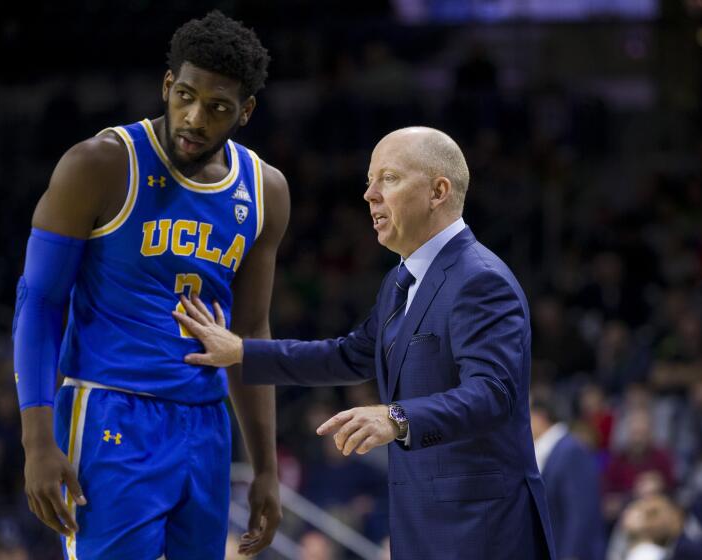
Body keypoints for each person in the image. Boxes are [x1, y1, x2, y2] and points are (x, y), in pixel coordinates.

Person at [176, 126, 556, 559]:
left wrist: (395, 417)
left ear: (438, 191)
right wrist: (243, 352)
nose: (370, 194)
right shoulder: (399, 280)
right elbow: (349, 355)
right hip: (423, 526)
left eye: (389, 179)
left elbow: (494, 392)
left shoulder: (481, 279)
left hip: (482, 530)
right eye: (368, 181)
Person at [12, 11, 288, 559]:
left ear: (245, 112)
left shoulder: (264, 190)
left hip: (207, 426)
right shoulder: (100, 164)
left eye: (217, 108)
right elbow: (38, 305)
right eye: (185, 95)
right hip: (111, 413)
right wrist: (37, 440)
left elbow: (250, 331)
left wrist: (266, 468)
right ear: (167, 85)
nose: (194, 118)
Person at [530, 394, 605, 560]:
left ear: (539, 416)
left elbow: (580, 509)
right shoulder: (550, 450)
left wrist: (572, 554)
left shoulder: (571, 450)